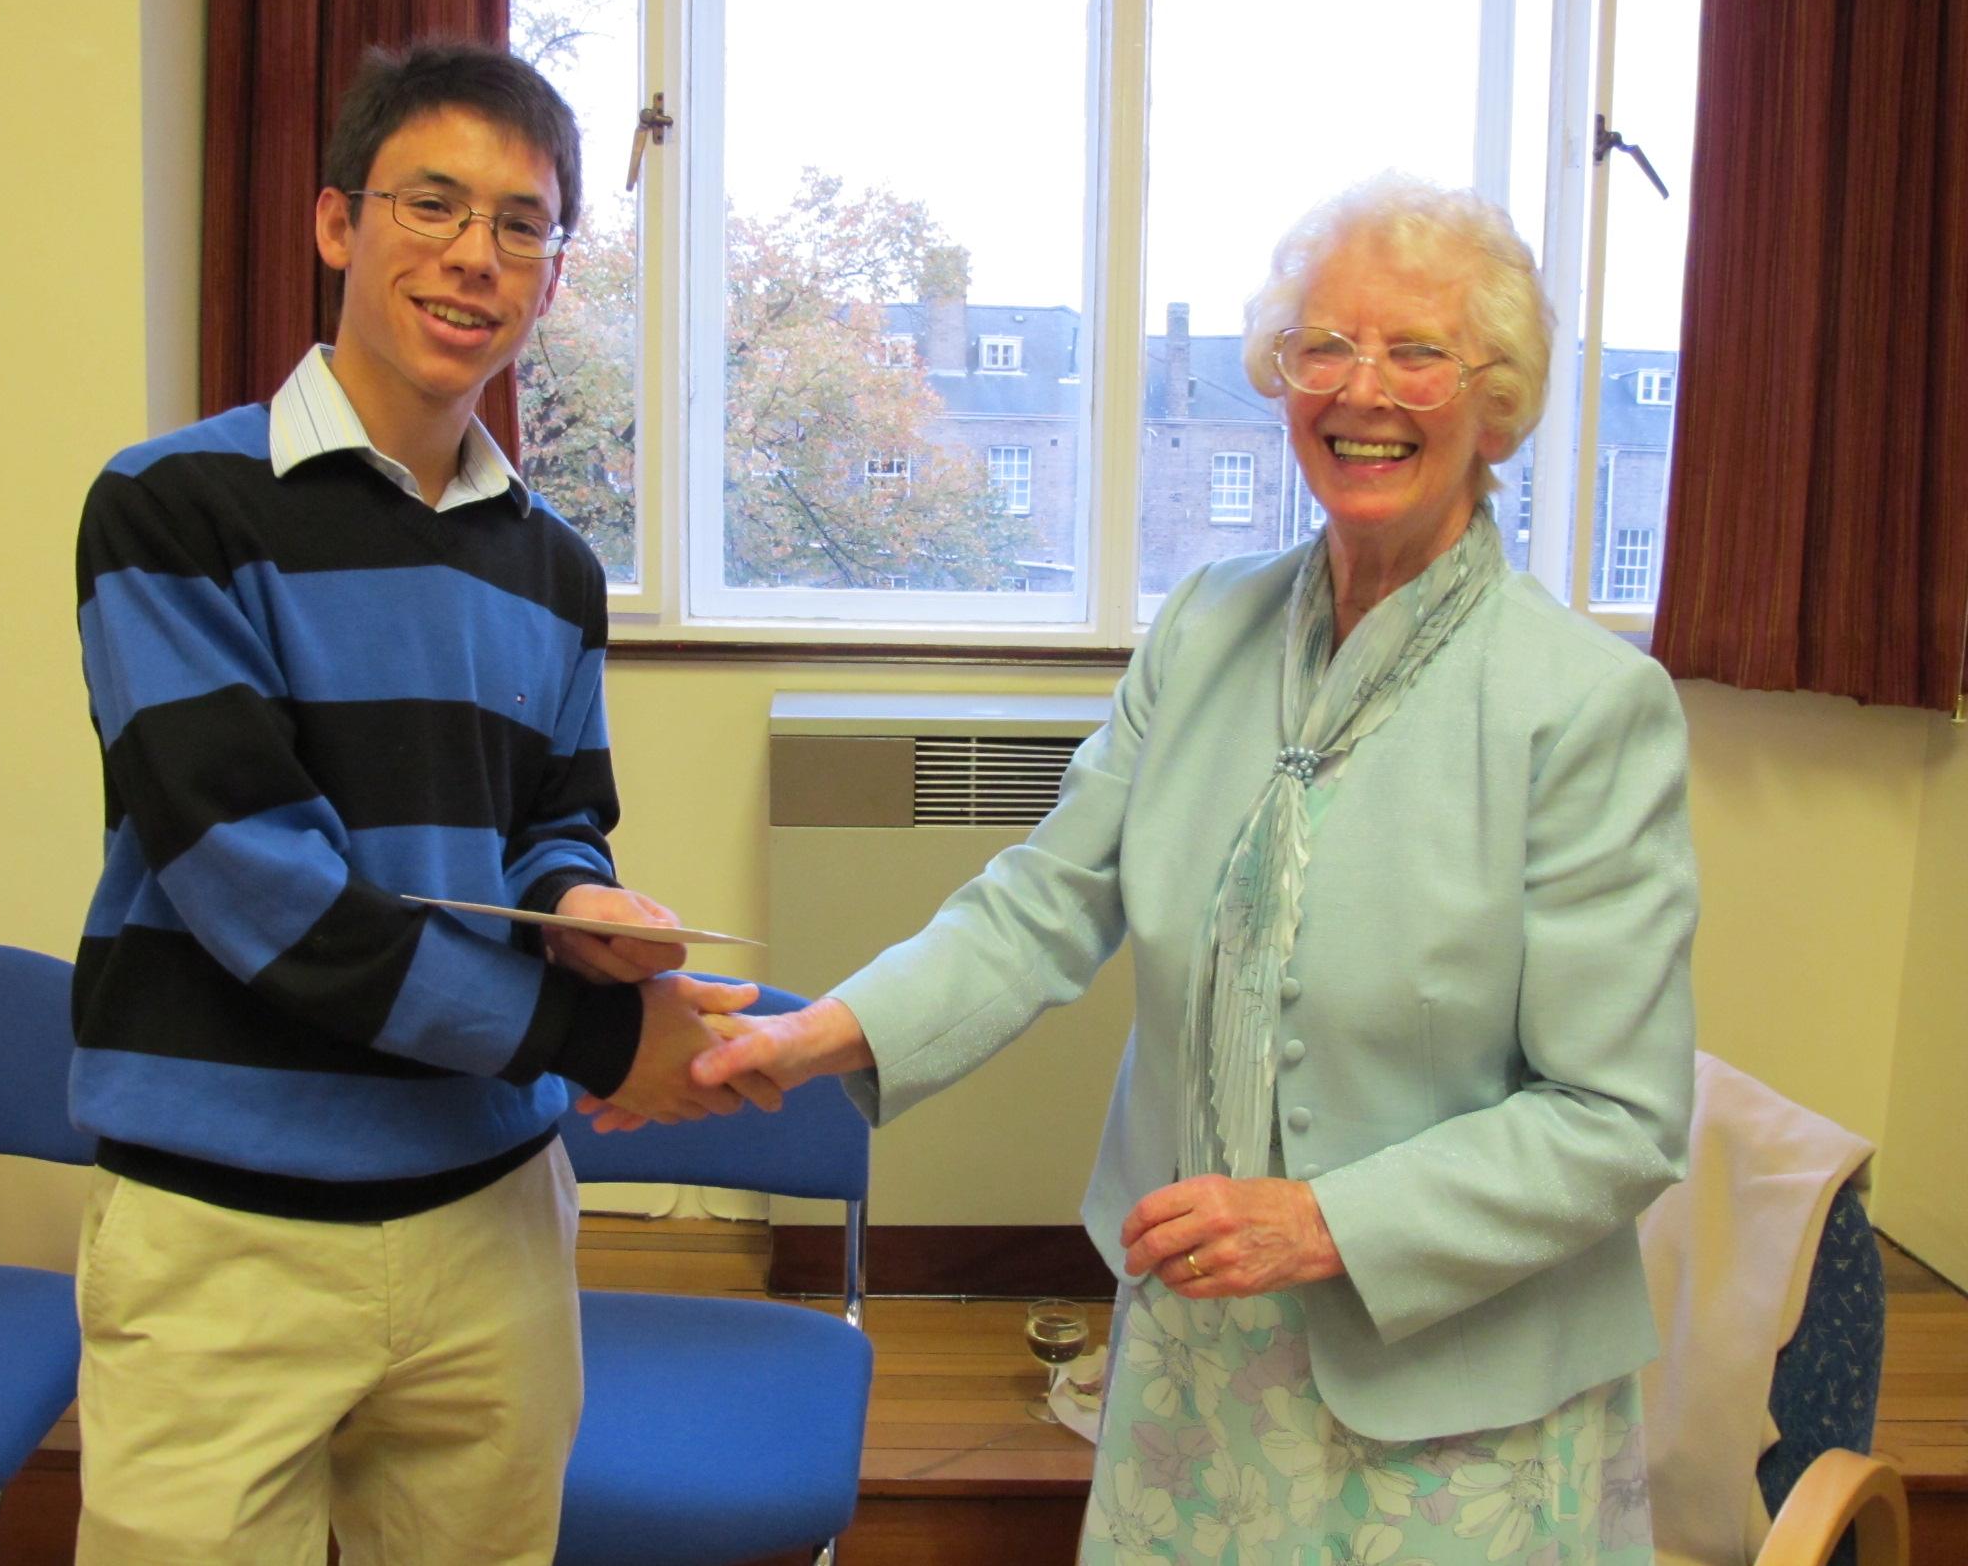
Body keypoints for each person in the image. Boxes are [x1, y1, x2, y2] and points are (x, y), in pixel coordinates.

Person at [680, 175, 1697, 1561]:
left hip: (1453, 1389)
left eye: (1417, 353)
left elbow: (1617, 1117)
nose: (1363, 390)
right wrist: (810, 1037)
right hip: (1206, 1349)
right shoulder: (1208, 628)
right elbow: (1047, 902)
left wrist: (1327, 1221)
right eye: (1323, 347)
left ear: (1498, 401)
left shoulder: (1583, 704)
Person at [70, 40, 771, 1565]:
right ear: (336, 224)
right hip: (225, 1238)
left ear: (552, 272)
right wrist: (597, 1038)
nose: (476, 257)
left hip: (494, 1225)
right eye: (433, 205)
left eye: (523, 225)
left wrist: (585, 909)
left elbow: (555, 824)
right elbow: (262, 891)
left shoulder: (554, 567)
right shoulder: (172, 509)